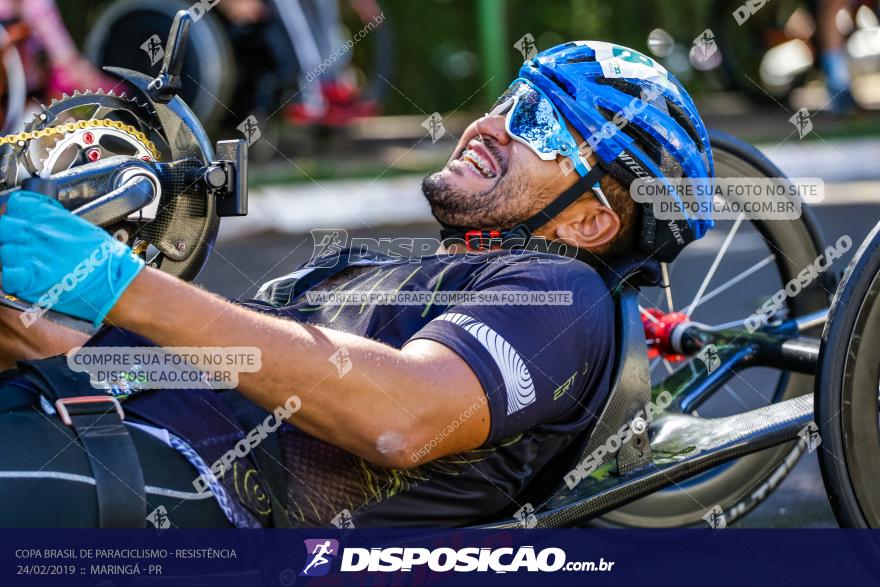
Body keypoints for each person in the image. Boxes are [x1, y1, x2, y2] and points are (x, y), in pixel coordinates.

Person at [0, 41, 713, 528]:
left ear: (590, 222)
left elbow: (404, 415)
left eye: (541, 124)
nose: (491, 123)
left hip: (182, 485)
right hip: (81, 407)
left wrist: (123, 286)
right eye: (509, 98)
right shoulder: (406, 271)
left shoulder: (565, 296)